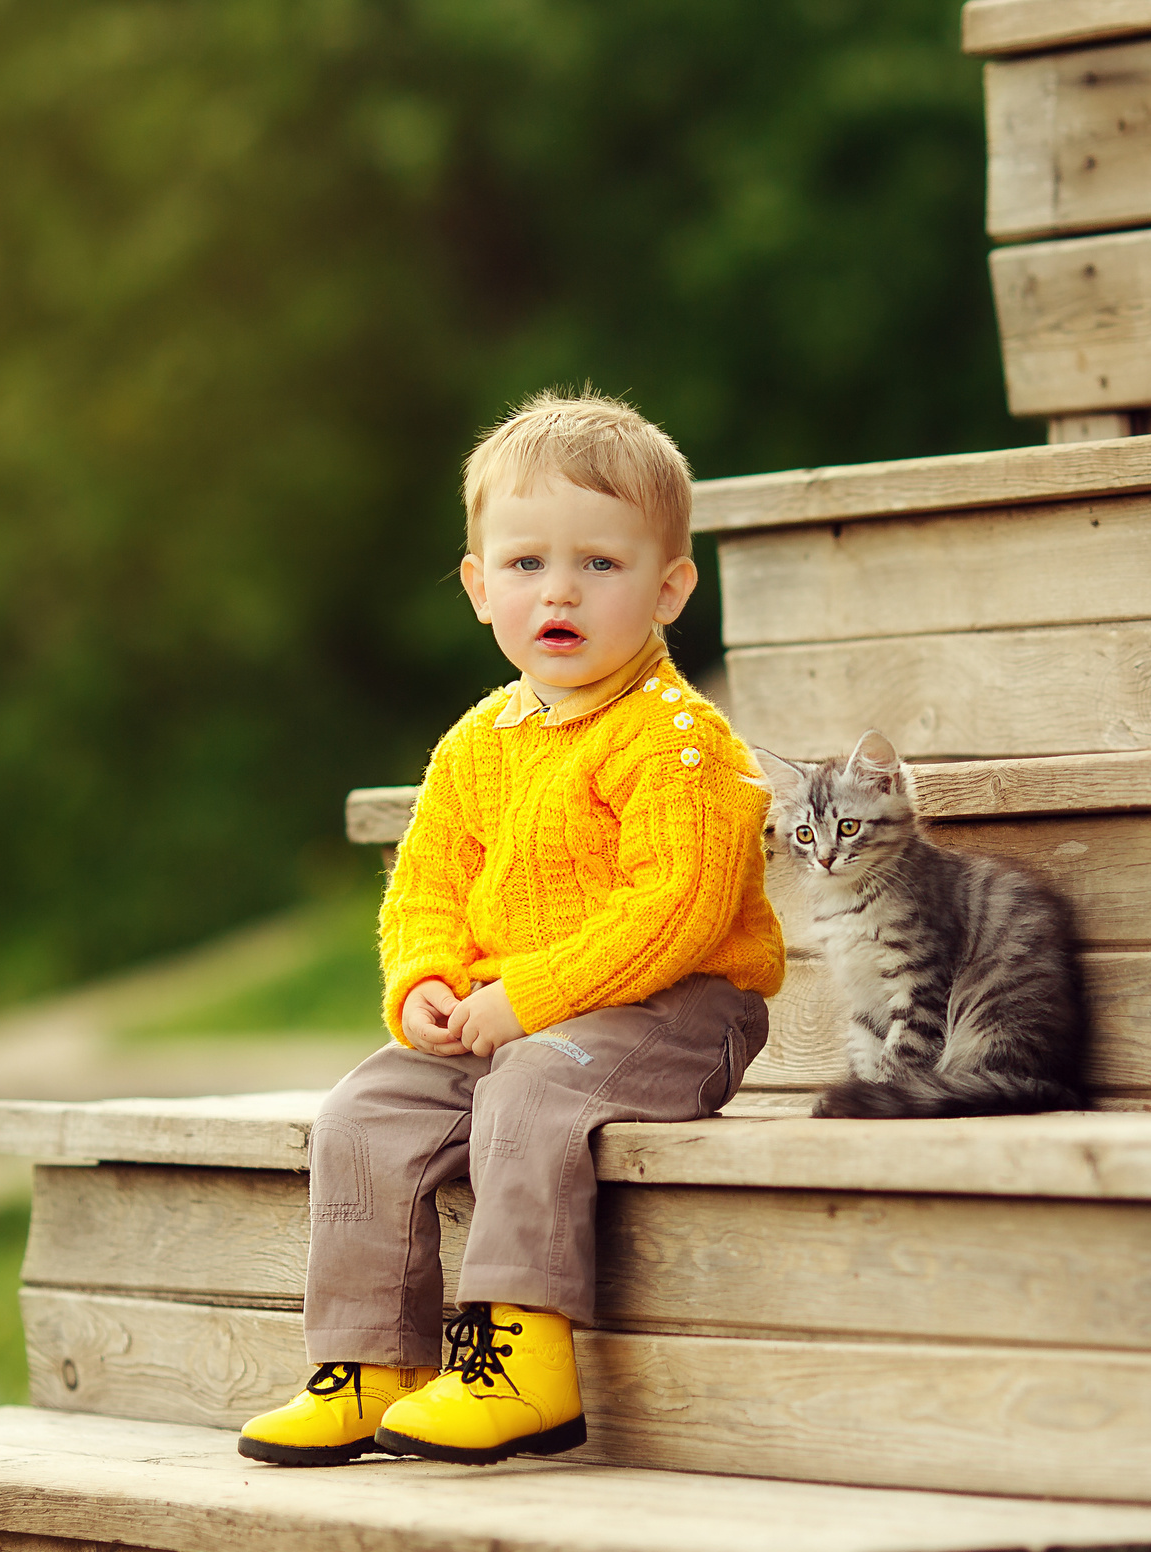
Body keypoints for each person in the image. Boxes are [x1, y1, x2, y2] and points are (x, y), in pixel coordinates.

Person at [237, 391, 784, 1467]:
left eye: (600, 564)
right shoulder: (477, 742)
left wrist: (528, 999)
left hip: (677, 1012)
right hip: (510, 1013)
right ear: (480, 587)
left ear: (669, 588)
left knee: (535, 1086)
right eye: (526, 564)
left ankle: (520, 1356)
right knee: (365, 1110)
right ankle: (371, 1365)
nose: (559, 591)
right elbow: (426, 886)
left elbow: (674, 912)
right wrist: (427, 982)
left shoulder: (680, 742)